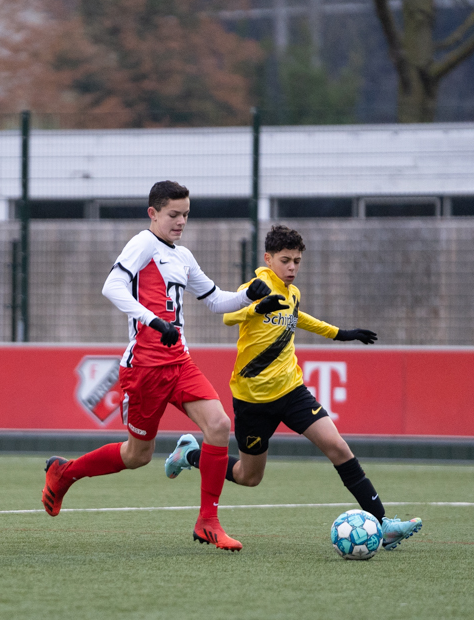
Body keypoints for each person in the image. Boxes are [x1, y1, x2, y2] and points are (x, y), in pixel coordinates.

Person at [42, 180, 273, 551]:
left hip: (179, 362)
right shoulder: (143, 244)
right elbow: (111, 286)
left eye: (186, 215)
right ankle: (64, 472)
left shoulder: (183, 256)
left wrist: (250, 295)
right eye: (173, 214)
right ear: (153, 213)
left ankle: (208, 522)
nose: (181, 222)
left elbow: (215, 300)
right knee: (137, 456)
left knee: (218, 425)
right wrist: (152, 321)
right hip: (145, 368)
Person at [164, 224, 423, 550]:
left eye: (297, 261)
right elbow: (229, 317)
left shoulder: (293, 293)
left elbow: (300, 317)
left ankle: (383, 524)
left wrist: (341, 334)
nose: (292, 268)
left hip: (292, 391)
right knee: (248, 476)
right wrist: (256, 307)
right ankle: (190, 454)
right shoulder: (257, 286)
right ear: (268, 258)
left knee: (338, 447)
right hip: (253, 399)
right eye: (285, 260)